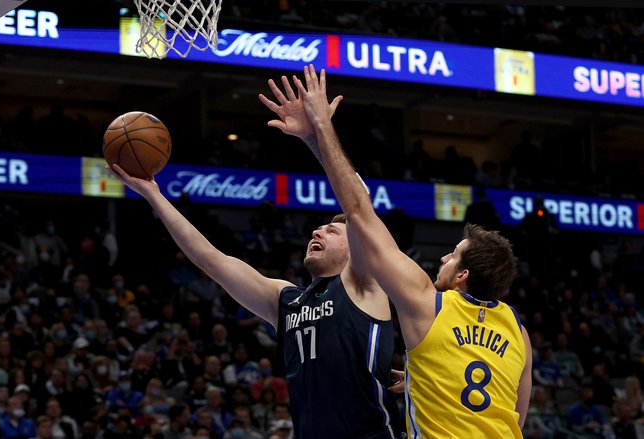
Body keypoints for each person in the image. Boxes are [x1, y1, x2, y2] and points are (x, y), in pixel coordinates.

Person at [109, 91, 401, 438]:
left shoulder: (364, 283)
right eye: (320, 226)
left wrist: (314, 134)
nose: (317, 230)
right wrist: (153, 195)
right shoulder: (286, 300)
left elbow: (357, 205)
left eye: (331, 230)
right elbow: (211, 260)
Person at [262, 65, 532, 438]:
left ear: (463, 274)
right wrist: (430, 382)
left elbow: (357, 209)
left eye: (453, 255)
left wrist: (319, 130)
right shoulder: (518, 329)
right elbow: (515, 413)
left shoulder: (426, 302)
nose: (443, 259)